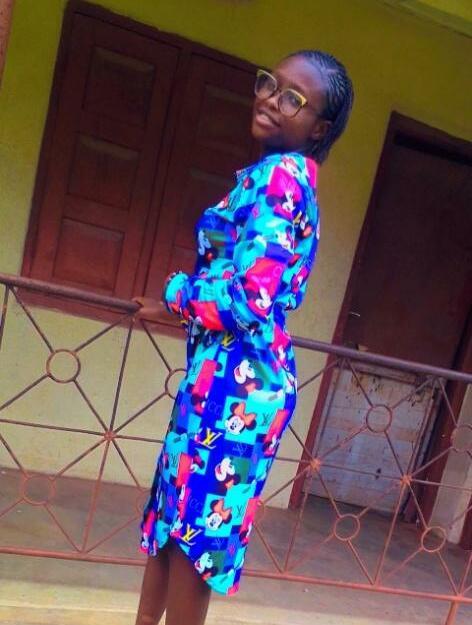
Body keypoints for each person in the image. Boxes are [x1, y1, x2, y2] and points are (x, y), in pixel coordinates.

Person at [133, 49, 354, 625]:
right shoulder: (265, 177)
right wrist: (181, 306)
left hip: (240, 388)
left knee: (194, 543)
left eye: (293, 99)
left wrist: (178, 294)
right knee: (172, 521)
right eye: (269, 85)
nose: (271, 100)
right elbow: (235, 278)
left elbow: (248, 300)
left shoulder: (282, 180)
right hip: (219, 378)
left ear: (319, 128)